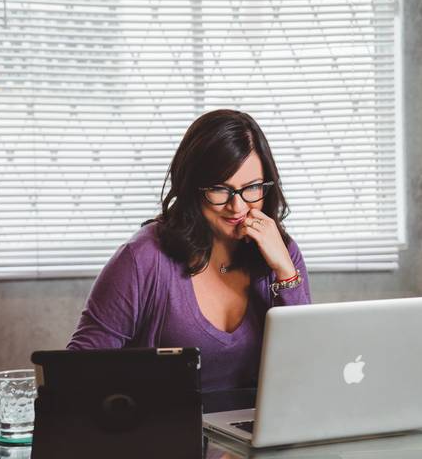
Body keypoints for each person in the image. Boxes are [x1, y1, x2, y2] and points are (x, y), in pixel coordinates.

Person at [67, 109, 311, 391]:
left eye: (252, 188)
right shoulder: (142, 258)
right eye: (221, 189)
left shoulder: (281, 252)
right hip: (164, 430)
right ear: (192, 186)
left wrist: (285, 274)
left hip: (254, 429)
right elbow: (78, 370)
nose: (238, 206)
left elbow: (304, 369)